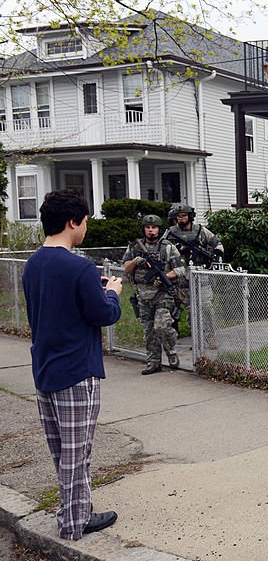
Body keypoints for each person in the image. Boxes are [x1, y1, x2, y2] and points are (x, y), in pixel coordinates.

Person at [21, 189, 123, 539]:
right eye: (85, 221)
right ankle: (75, 523)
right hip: (78, 371)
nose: (85, 227)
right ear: (72, 222)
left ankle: (72, 511)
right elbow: (104, 314)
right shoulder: (80, 266)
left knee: (61, 451)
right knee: (78, 452)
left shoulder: (33, 264)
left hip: (45, 369)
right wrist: (112, 292)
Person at [122, 215, 186, 375]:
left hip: (163, 294)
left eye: (154, 227)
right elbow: (126, 268)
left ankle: (171, 352)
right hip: (142, 295)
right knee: (149, 331)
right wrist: (136, 261)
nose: (151, 230)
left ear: (159, 229)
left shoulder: (168, 247)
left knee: (162, 327)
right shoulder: (135, 247)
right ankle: (153, 362)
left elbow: (180, 269)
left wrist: (163, 277)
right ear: (144, 229)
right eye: (148, 227)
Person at [163, 204, 224, 349]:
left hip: (201, 275)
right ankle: (197, 339)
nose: (181, 218)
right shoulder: (171, 233)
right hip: (182, 277)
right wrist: (177, 249)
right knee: (191, 312)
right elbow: (162, 249)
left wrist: (213, 256)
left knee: (207, 307)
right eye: (178, 216)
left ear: (190, 216)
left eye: (183, 215)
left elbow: (218, 245)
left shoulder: (201, 231)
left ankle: (211, 337)